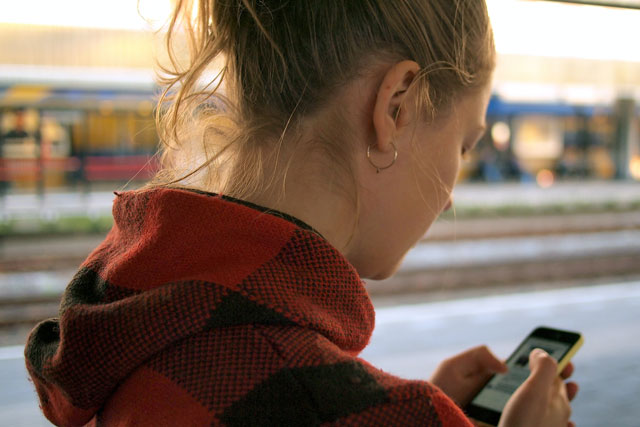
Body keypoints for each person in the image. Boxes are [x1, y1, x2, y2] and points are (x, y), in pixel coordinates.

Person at [25, 1, 578, 425]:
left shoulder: (130, 322)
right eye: (463, 144)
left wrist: (383, 399)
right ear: (397, 106)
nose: (451, 192)